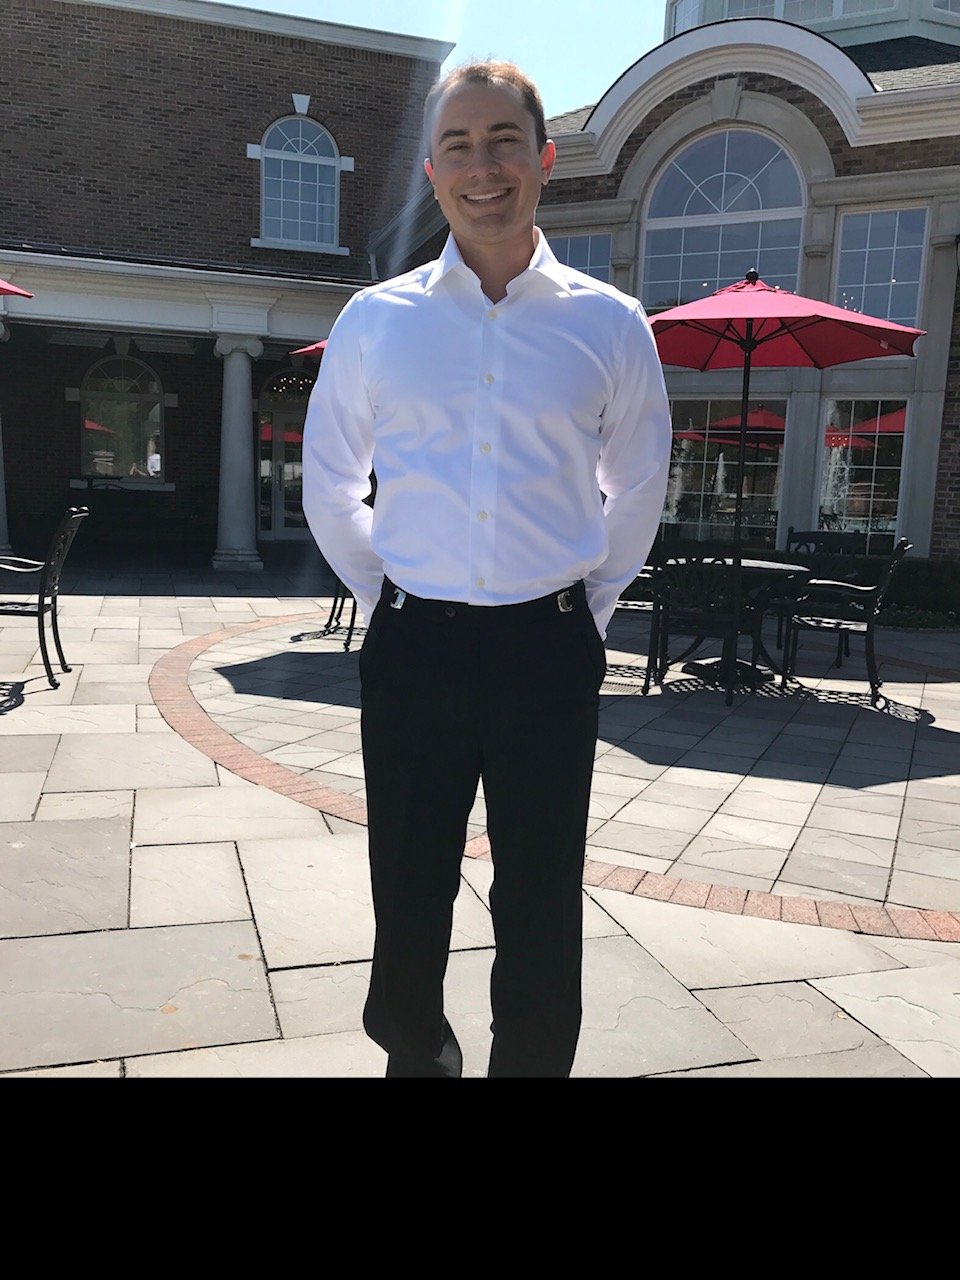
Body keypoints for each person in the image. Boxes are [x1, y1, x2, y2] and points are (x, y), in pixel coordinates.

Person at [302, 59, 671, 1078]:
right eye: (458, 145)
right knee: (407, 880)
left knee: (541, 890)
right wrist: (391, 595)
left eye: (504, 140)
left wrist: (583, 613)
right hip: (414, 643)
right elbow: (330, 481)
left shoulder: (609, 323)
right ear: (432, 171)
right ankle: (417, 1047)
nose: (483, 166)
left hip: (547, 646)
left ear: (544, 158)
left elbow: (638, 486)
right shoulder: (377, 320)